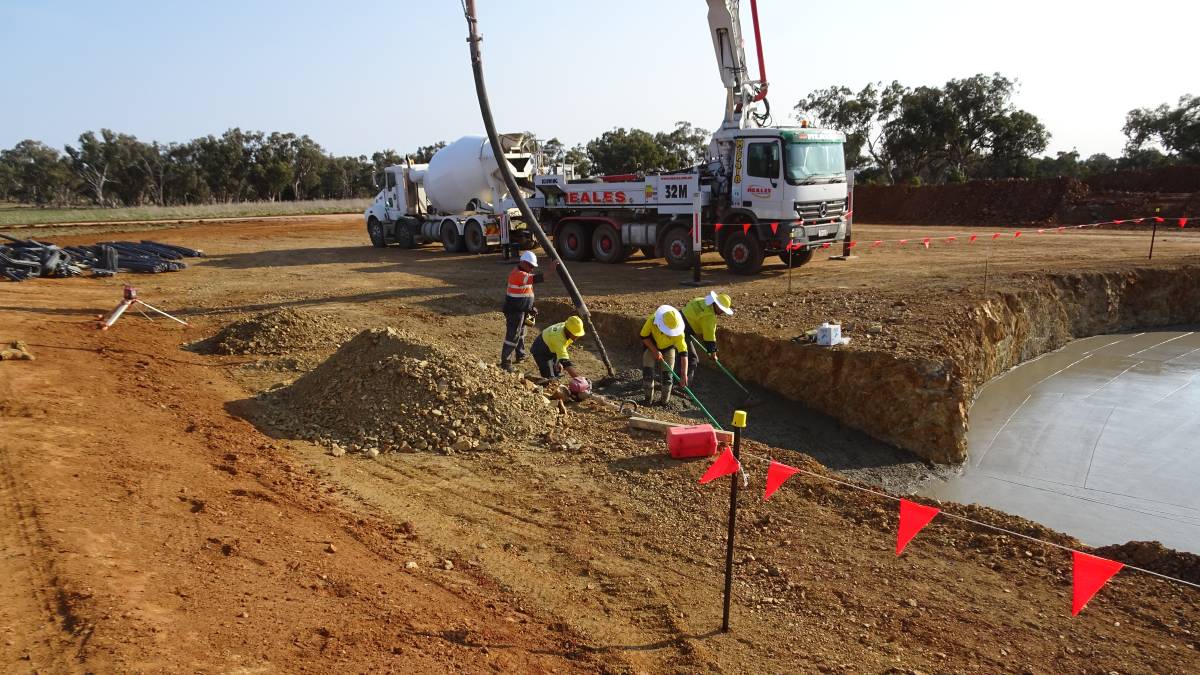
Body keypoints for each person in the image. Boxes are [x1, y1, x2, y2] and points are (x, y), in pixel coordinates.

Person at [500, 250, 556, 371]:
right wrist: (551, 270)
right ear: (524, 263)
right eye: (530, 266)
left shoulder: (524, 273)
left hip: (523, 309)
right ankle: (506, 363)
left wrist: (530, 307)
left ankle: (520, 354)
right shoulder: (518, 274)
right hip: (515, 310)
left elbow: (526, 292)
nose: (531, 269)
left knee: (521, 333)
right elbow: (540, 278)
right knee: (513, 335)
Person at [640, 304, 689, 405]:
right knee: (648, 372)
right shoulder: (652, 320)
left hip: (668, 348)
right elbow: (644, 337)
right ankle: (648, 400)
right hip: (651, 345)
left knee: (667, 376)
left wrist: (684, 374)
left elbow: (684, 353)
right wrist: (654, 350)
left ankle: (664, 402)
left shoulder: (679, 333)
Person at [681, 291, 733, 383]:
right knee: (692, 360)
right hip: (681, 332)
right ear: (716, 304)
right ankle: (683, 386)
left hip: (678, 321)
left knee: (681, 357)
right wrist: (713, 354)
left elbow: (687, 306)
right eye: (721, 309)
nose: (722, 312)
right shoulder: (709, 317)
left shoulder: (701, 300)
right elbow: (709, 338)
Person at [531, 315, 585, 381]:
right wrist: (578, 379)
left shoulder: (567, 327)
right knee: (549, 377)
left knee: (556, 371)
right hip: (541, 349)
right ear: (568, 331)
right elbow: (566, 363)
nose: (577, 337)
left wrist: (558, 361)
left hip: (551, 346)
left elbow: (562, 349)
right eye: (575, 334)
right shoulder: (558, 337)